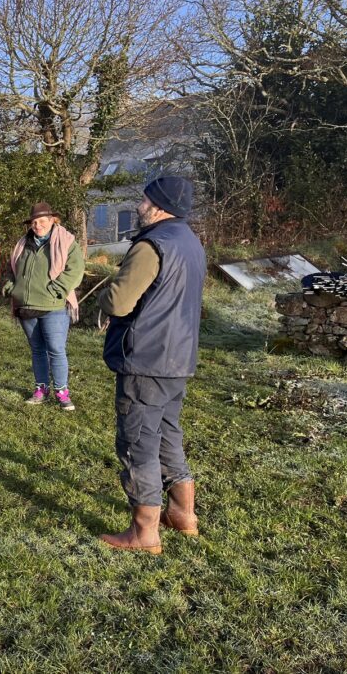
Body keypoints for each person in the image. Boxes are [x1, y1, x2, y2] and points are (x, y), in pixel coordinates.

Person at [97, 176, 205, 555]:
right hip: (179, 357)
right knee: (168, 434)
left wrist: (108, 290)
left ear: (158, 206)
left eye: (144, 200)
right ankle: (183, 514)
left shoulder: (151, 245)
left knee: (138, 442)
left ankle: (145, 533)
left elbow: (120, 302)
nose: (140, 205)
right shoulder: (191, 242)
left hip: (145, 358)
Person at [1, 202, 85, 410]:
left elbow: (75, 269)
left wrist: (57, 289)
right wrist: (11, 285)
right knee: (37, 350)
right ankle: (41, 388)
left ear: (52, 220)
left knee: (56, 350)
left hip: (53, 306)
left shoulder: (66, 242)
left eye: (42, 221)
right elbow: (12, 269)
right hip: (26, 306)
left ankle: (62, 391)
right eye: (34, 222)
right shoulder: (23, 243)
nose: (37, 225)